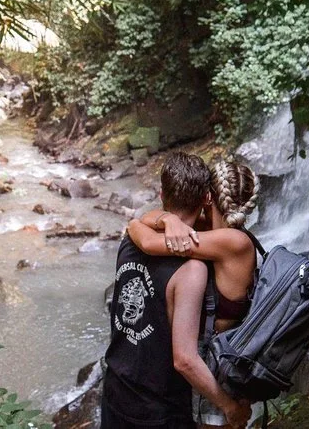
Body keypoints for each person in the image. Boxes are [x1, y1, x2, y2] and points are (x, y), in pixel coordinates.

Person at [101, 152, 251, 429]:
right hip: (161, 405)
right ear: (205, 199)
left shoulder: (132, 240)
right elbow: (184, 360)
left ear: (161, 194)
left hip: (116, 387)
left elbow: (143, 231)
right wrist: (229, 406)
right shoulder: (193, 269)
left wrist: (151, 222)